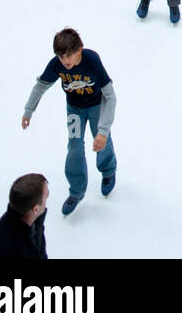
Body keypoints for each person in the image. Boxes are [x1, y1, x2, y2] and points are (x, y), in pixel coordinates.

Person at [21, 27, 117, 217]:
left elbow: (111, 96)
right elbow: (41, 85)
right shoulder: (57, 64)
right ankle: (76, 191)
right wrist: (28, 110)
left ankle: (108, 170)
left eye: (68, 56)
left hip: (97, 105)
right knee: (74, 147)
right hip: (74, 108)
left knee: (101, 142)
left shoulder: (92, 61)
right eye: (61, 57)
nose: (65, 62)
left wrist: (103, 130)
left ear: (79, 50)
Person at [0, 174, 49, 260]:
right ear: (36, 209)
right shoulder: (15, 250)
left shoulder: (20, 216)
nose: (47, 198)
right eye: (46, 196)